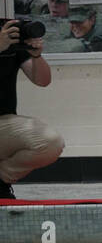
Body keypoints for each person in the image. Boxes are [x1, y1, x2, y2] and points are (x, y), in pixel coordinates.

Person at [0, 18, 60, 199]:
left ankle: (2, 179)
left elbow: (43, 81)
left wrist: (36, 55)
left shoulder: (9, 32)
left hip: (4, 121)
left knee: (51, 142)